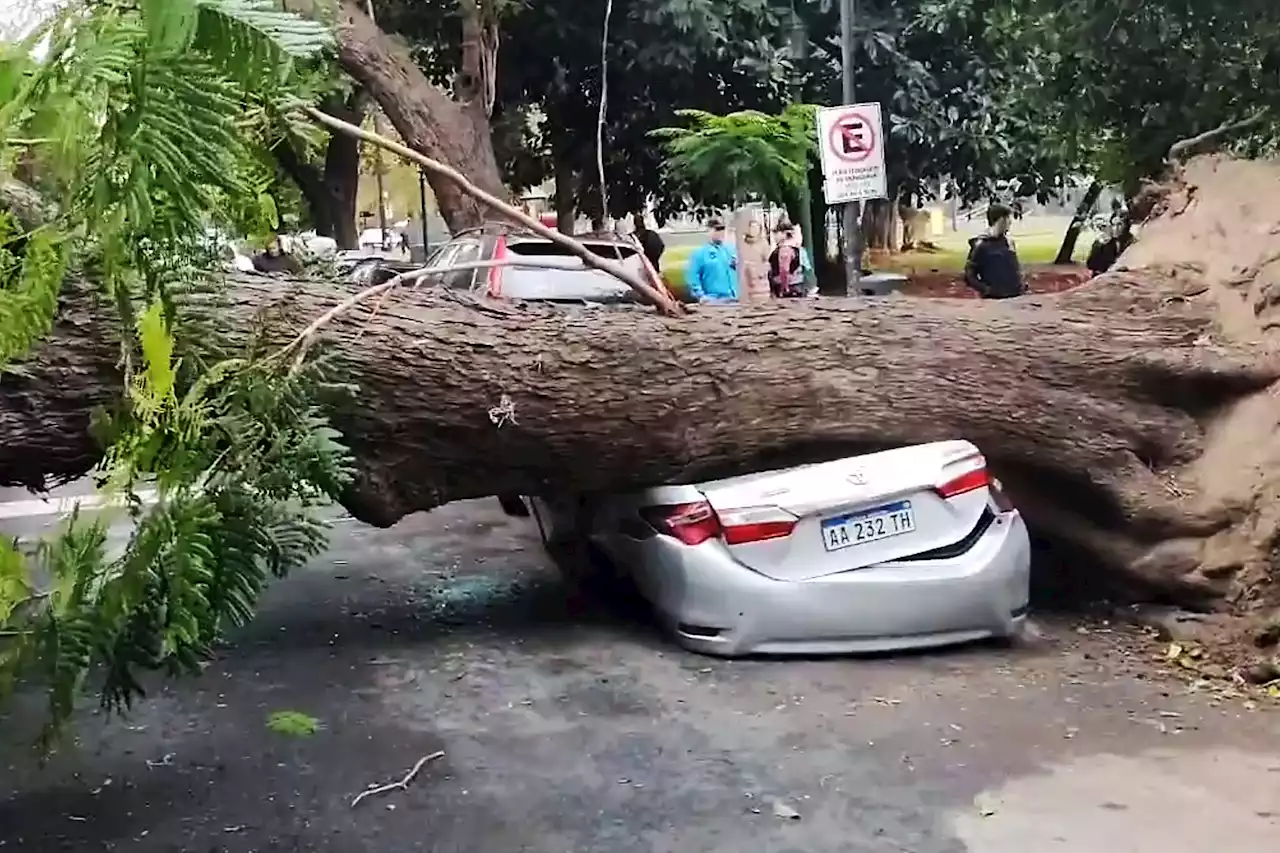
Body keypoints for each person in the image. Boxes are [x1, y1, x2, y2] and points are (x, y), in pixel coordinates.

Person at [963, 202, 1025, 299]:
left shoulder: (1009, 243)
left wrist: (1021, 285)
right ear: (1001, 220)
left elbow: (1015, 269)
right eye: (1008, 218)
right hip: (993, 300)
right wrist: (986, 290)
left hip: (1015, 298)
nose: (1010, 222)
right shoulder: (981, 245)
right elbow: (969, 275)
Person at [684, 218, 738, 302]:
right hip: (714, 300)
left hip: (735, 298)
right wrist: (701, 296)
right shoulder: (700, 253)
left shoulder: (731, 250)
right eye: (717, 229)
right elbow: (693, 277)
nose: (721, 233)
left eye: (723, 229)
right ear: (709, 231)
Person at [768, 222, 812, 298]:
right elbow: (807, 267)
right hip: (798, 282)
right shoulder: (798, 249)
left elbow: (784, 270)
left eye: (776, 233)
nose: (774, 237)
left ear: (784, 234)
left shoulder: (785, 250)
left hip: (787, 285)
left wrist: (784, 287)